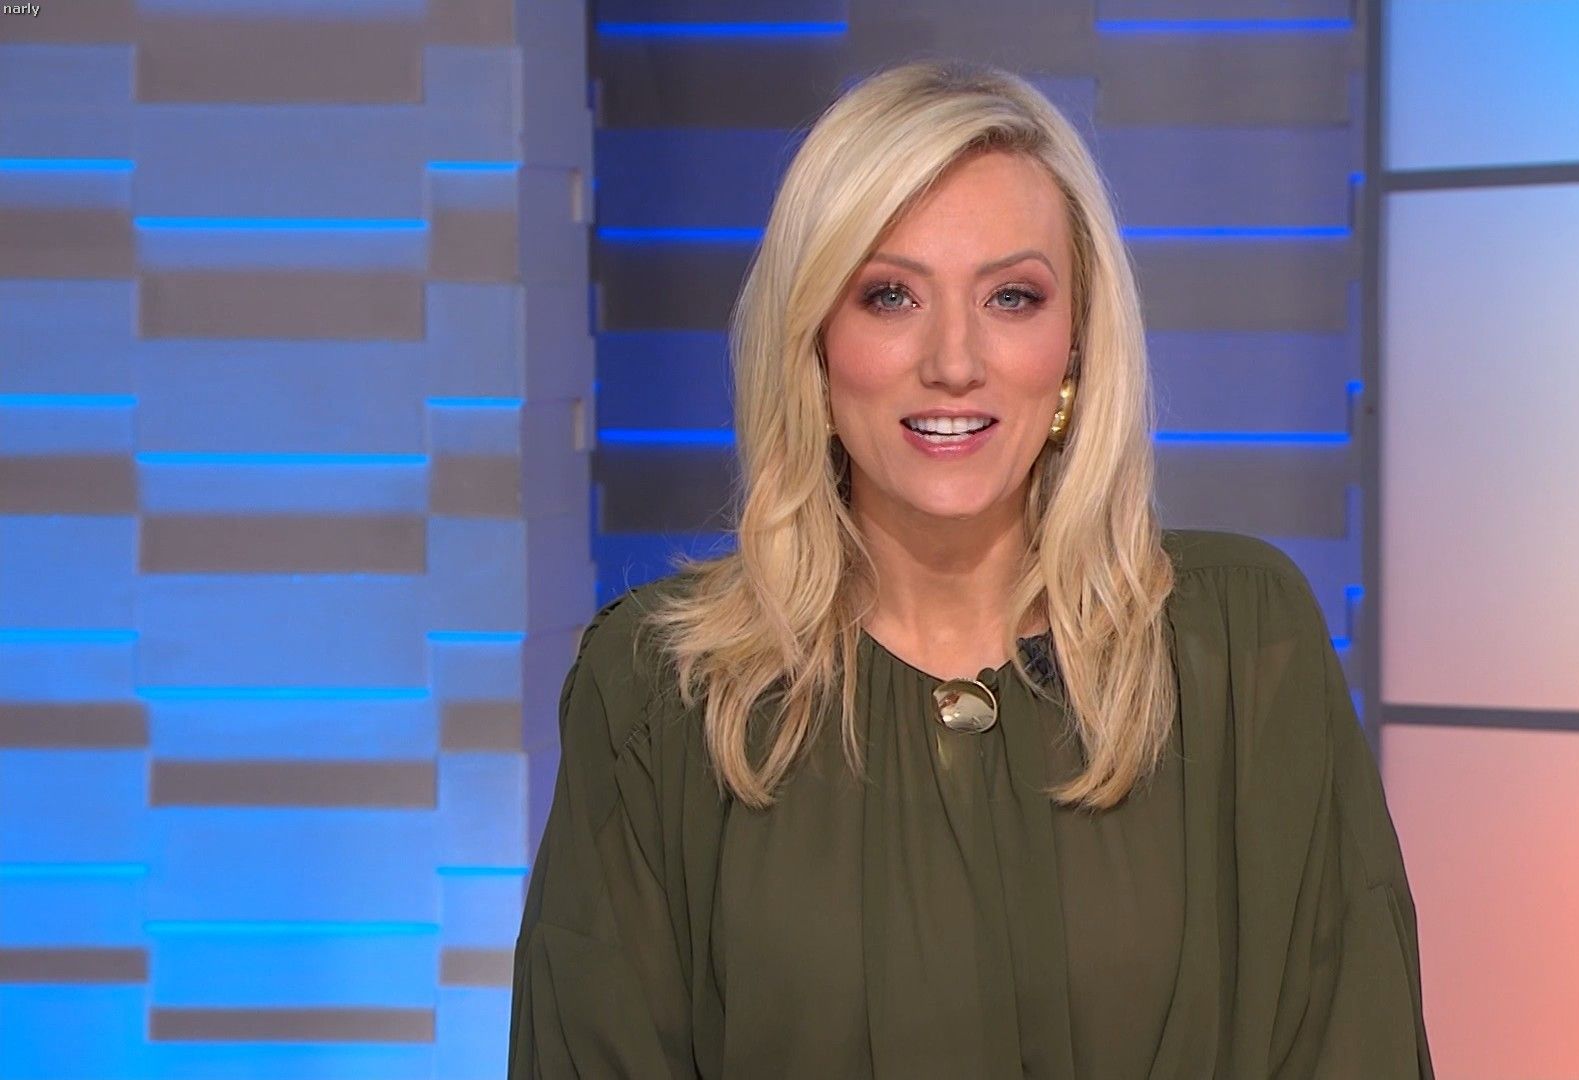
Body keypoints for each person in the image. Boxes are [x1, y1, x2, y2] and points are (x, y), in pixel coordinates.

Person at [509, 58, 1434, 1079]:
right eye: (890, 295)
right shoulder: (661, 692)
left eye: (1012, 297)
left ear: (1076, 344)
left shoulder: (1244, 649)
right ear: (814, 341)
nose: (953, 361)